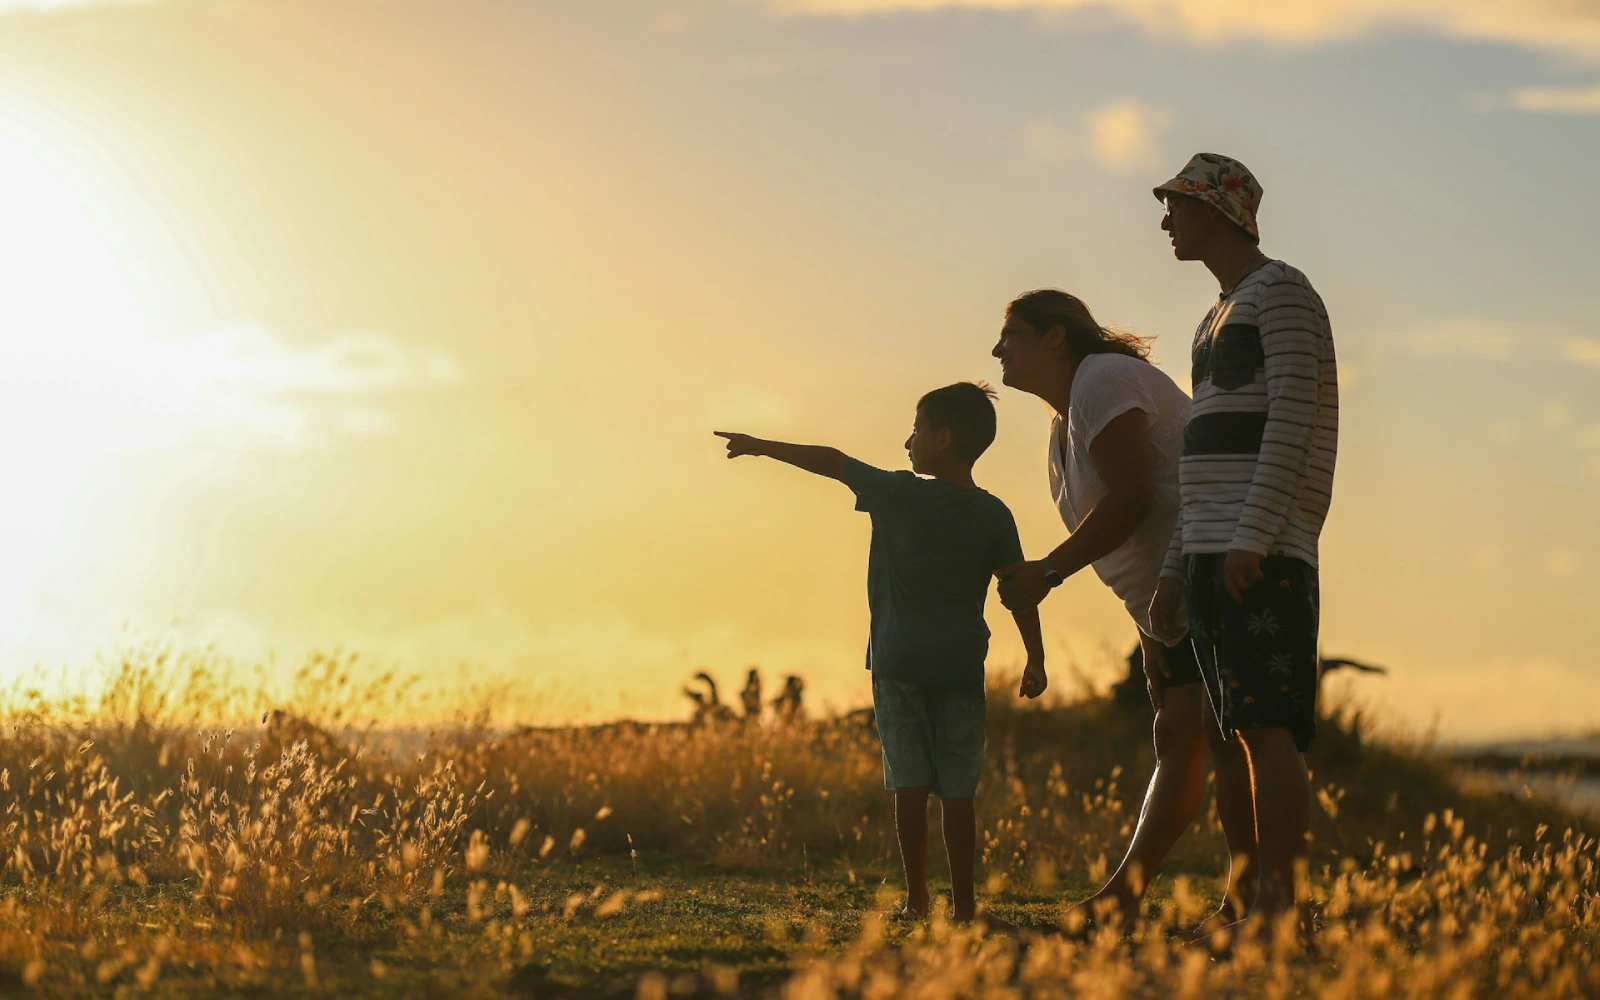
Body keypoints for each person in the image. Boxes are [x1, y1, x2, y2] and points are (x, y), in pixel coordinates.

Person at [715, 382, 1046, 923]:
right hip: (962, 665)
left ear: (943, 438)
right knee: (959, 791)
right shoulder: (994, 513)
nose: (908, 440)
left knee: (910, 786)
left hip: (897, 663)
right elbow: (1017, 589)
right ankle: (964, 908)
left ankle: (917, 902)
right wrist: (1036, 657)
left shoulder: (897, 492)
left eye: (917, 429)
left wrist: (761, 445)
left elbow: (832, 462)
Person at [991, 290, 1257, 930]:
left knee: (1228, 741)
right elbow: (1141, 518)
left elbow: (1136, 498)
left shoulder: (1102, 380)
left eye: (1013, 335)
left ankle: (1252, 901)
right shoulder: (1067, 420)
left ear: (1056, 338)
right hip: (1170, 598)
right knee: (1182, 742)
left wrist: (1049, 571)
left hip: (1215, 570)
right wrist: (1149, 628)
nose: (999, 350)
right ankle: (1138, 900)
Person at [1147, 153, 1339, 940]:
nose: (1166, 220)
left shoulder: (1285, 294)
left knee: (1268, 728)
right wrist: (1173, 566)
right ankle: (1243, 901)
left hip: (1260, 552)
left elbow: (1295, 423)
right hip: (1208, 553)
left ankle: (1279, 915)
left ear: (1221, 214)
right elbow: (1202, 453)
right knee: (1227, 735)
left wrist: (1255, 536)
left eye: (1177, 206)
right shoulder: (1214, 315)